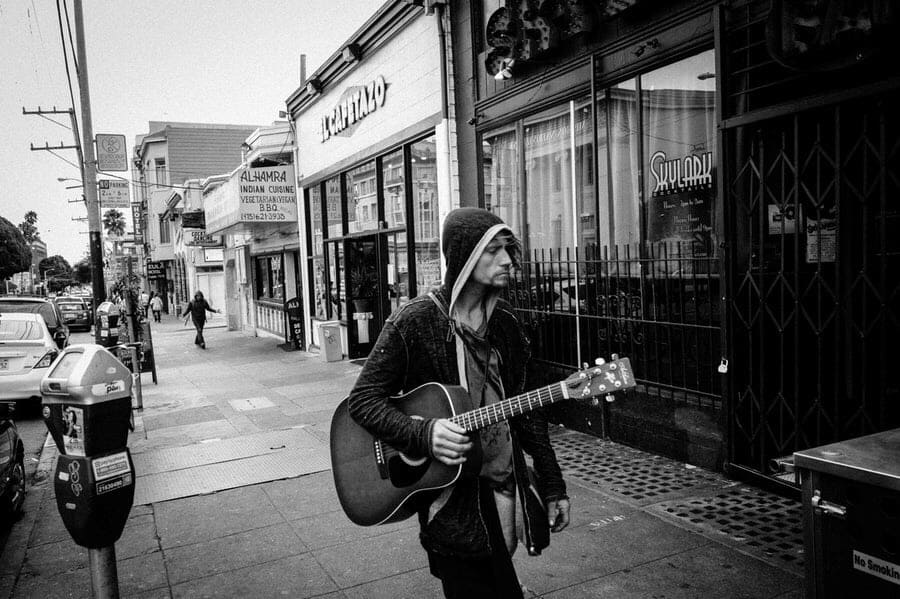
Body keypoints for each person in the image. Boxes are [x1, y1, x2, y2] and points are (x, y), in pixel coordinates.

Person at [347, 207, 570, 598]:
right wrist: (424, 433)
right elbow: (363, 401)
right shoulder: (415, 322)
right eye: (493, 251)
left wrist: (553, 485)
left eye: (508, 250)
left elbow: (527, 411)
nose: (507, 260)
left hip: (503, 489)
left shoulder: (506, 324)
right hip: (450, 502)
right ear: (465, 255)